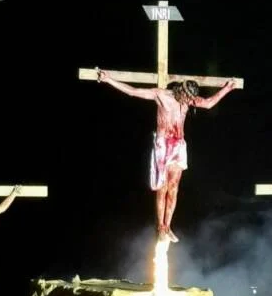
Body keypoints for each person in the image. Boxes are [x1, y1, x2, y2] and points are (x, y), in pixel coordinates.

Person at [96, 67, 236, 243]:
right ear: (181, 91)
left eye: (190, 99)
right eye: (186, 97)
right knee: (162, 188)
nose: (188, 102)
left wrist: (227, 88)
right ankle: (160, 227)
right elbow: (133, 91)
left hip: (178, 146)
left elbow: (208, 103)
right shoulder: (161, 95)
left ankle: (168, 226)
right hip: (163, 146)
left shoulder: (188, 101)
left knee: (174, 187)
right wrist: (109, 80)